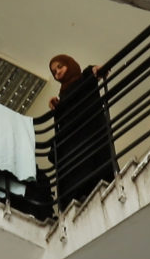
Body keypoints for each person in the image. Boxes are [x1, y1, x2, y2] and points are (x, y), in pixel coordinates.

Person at [48, 54, 115, 211]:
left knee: (92, 163)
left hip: (91, 133)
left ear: (69, 65)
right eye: (53, 71)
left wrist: (96, 71)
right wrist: (56, 104)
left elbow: (94, 73)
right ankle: (79, 195)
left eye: (60, 66)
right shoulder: (62, 96)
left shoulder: (83, 77)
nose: (57, 72)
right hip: (75, 142)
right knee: (76, 167)